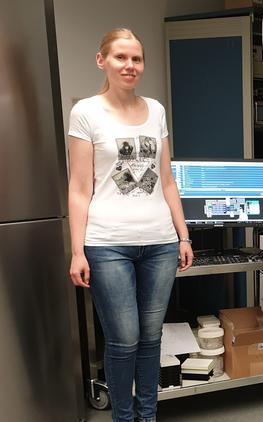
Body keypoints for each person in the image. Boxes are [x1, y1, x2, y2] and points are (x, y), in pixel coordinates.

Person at [67, 28, 193, 422]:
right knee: (123, 340)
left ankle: (148, 416)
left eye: (136, 58)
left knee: (151, 338)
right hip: (107, 245)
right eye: (121, 57)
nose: (130, 65)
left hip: (159, 241)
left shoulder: (156, 110)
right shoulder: (86, 112)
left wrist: (183, 234)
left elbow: (167, 180)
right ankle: (124, 418)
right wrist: (76, 251)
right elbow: (79, 187)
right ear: (102, 60)